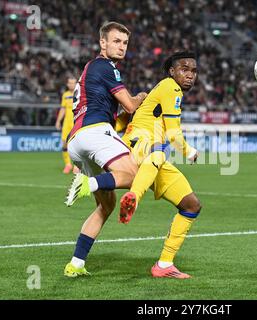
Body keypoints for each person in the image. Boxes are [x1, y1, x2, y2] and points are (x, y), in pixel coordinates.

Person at [69, 51, 201, 278]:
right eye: (184, 69)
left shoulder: (153, 94)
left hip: (138, 150)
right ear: (172, 71)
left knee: (191, 205)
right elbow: (173, 131)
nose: (189, 75)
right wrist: (189, 151)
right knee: (158, 152)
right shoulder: (172, 88)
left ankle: (164, 265)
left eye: (193, 71)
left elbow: (120, 120)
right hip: (145, 149)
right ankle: (131, 196)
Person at [63, 21, 147, 277]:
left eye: (125, 43)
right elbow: (131, 106)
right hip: (94, 133)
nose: (121, 47)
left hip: (77, 142)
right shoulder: (105, 66)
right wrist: (143, 97)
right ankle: (87, 185)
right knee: (134, 175)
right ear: (103, 43)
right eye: (116, 41)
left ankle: (75, 264)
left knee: (107, 206)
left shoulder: (92, 69)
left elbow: (117, 115)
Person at [55, 76, 80, 174]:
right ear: (67, 84)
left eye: (73, 83)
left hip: (76, 123)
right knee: (64, 144)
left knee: (78, 145)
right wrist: (58, 121)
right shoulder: (65, 95)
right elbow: (63, 109)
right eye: (70, 83)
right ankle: (68, 164)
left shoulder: (79, 94)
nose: (71, 84)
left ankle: (77, 165)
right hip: (66, 124)